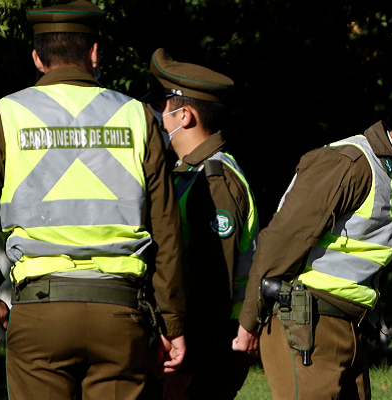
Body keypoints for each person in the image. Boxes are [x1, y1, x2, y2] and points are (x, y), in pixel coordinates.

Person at [0, 2, 186, 398]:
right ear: (95, 53)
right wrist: (172, 323)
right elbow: (167, 228)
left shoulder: (5, 115)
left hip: (40, 312)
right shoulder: (138, 117)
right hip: (122, 312)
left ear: (36, 57)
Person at [232, 88, 392, 399]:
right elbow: (280, 240)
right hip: (306, 324)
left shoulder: (391, 175)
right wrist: (248, 321)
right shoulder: (351, 163)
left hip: (346, 327)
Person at [143, 48, 257, 399]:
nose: (156, 116)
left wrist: (186, 370)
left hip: (210, 346)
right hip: (200, 342)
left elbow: (212, 284)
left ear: (186, 115)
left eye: (161, 105)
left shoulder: (215, 181)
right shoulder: (189, 174)